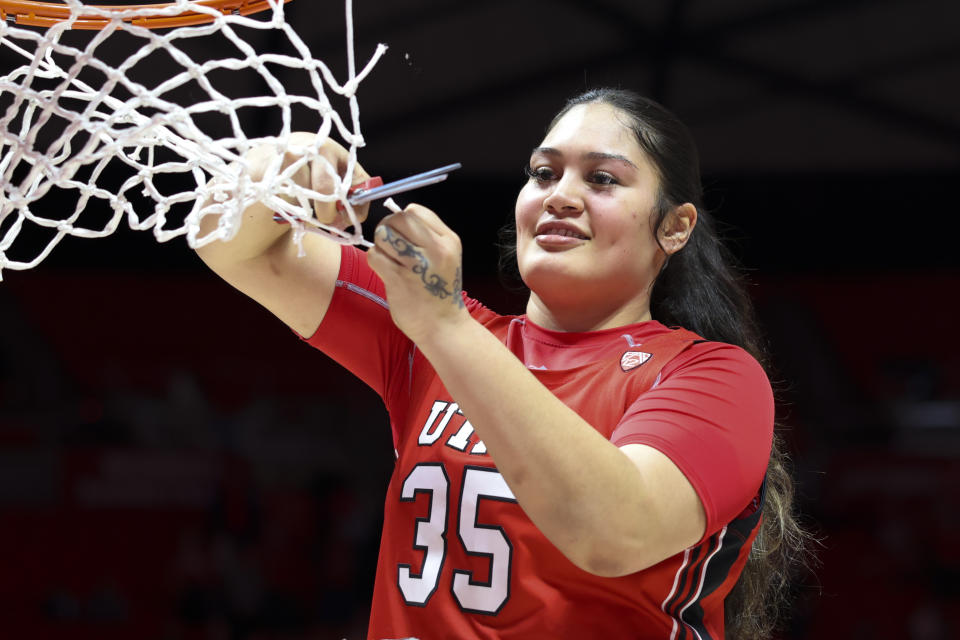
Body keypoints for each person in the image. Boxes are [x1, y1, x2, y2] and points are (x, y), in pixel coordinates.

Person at [196, 88, 808, 639]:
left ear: (674, 228)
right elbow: (227, 243)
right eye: (544, 173)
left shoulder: (712, 377)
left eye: (602, 180)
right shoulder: (430, 328)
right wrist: (275, 178)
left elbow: (612, 532)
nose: (561, 196)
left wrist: (444, 325)